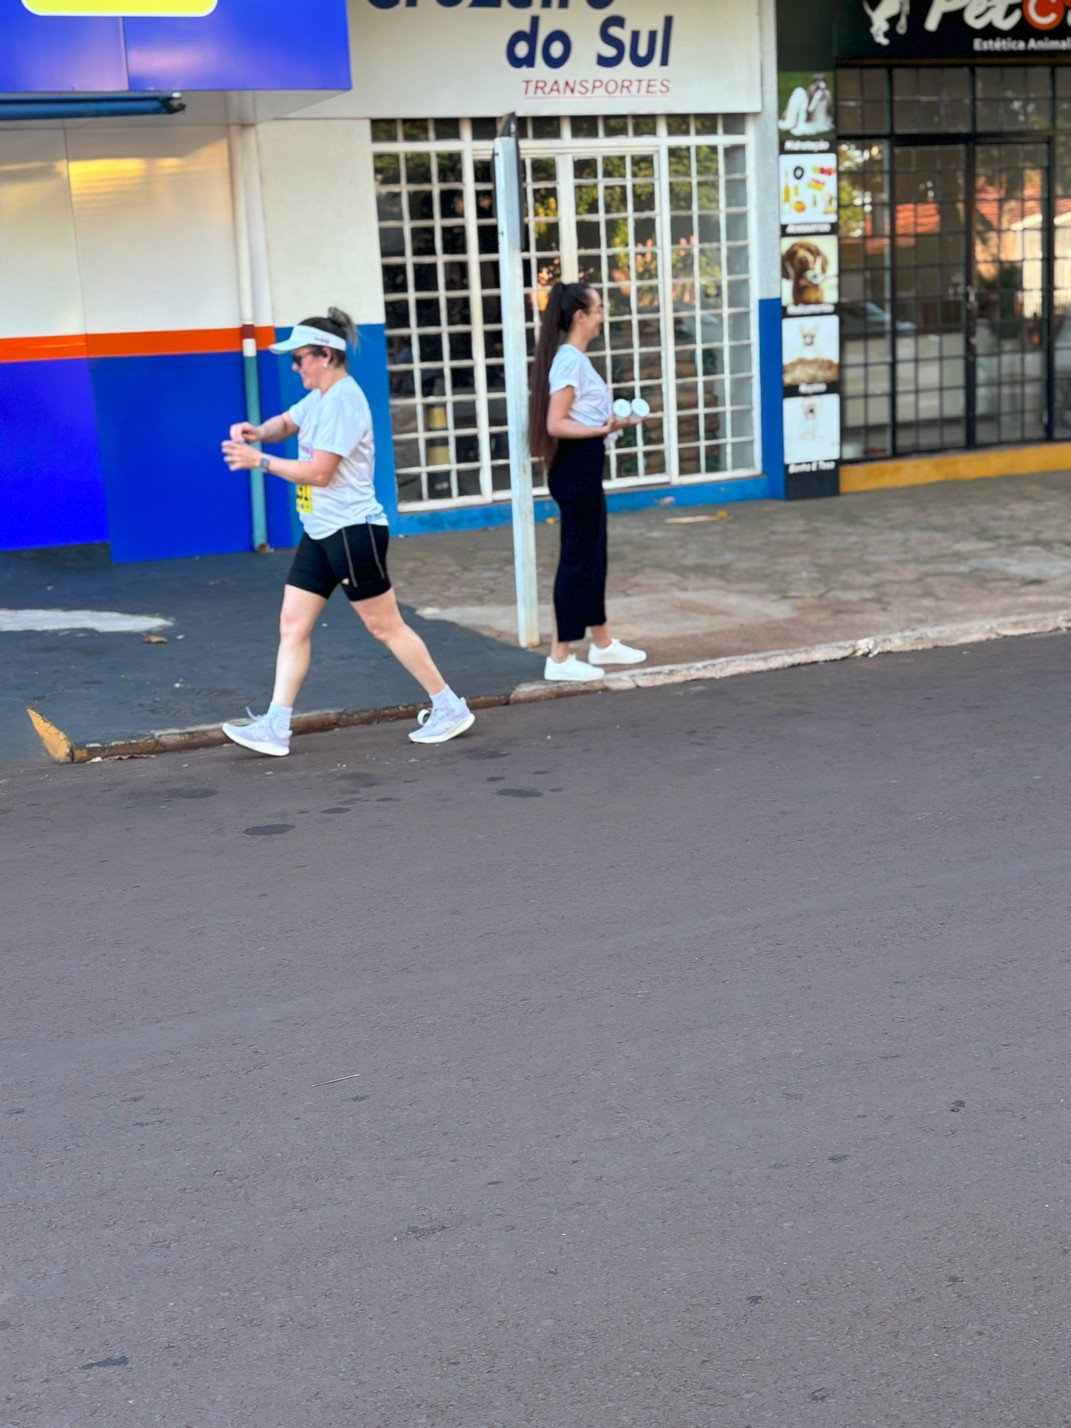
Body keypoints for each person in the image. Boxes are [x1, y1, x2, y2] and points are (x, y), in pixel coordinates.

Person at [219, 307, 474, 755]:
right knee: (291, 624)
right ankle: (276, 726)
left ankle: (448, 705)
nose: (295, 366)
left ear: (326, 355)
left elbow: (319, 473)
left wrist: (258, 460)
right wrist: (258, 432)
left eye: (300, 358)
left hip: (353, 532)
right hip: (321, 530)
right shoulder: (319, 395)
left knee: (386, 627)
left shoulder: (343, 401)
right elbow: (287, 422)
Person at [528, 282, 647, 682]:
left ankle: (602, 643)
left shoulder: (574, 359)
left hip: (584, 466)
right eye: (597, 309)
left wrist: (612, 424)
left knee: (593, 554)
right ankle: (559, 658)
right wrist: (598, 431)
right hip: (575, 467)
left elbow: (582, 417)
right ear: (580, 315)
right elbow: (555, 423)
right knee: (578, 559)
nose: (601, 316)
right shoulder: (568, 361)